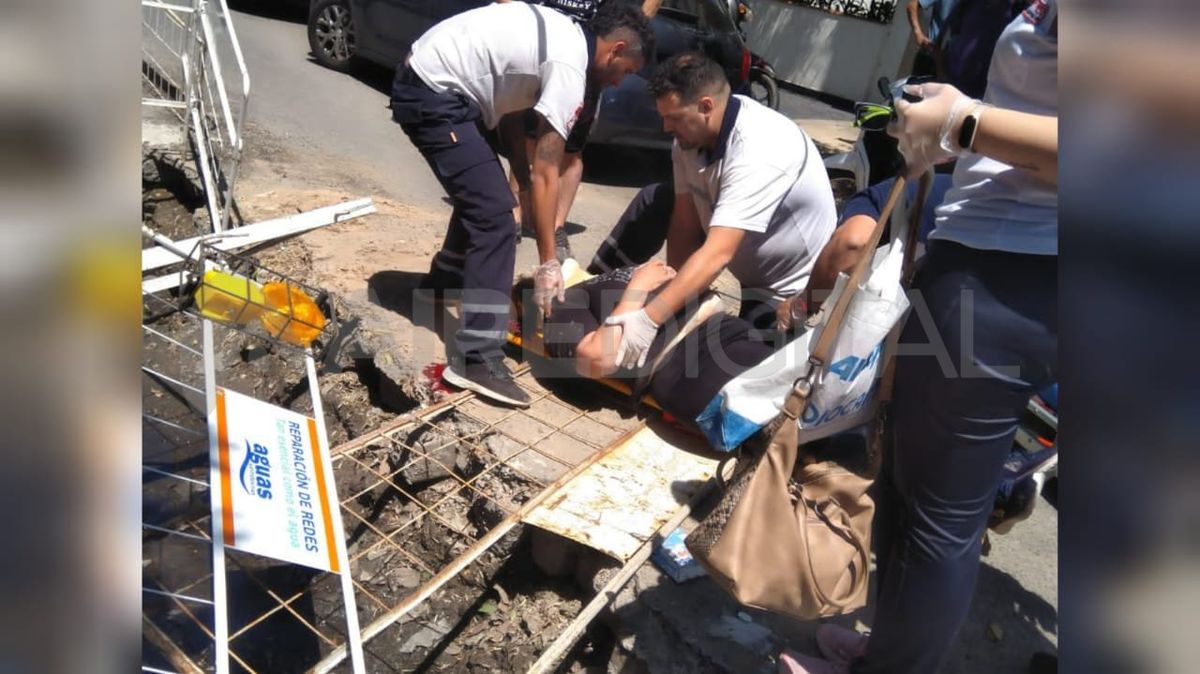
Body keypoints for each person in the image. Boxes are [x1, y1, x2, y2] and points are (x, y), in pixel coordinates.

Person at [780, 1, 1057, 672]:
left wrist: (962, 123)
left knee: (939, 520)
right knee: (912, 494)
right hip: (1011, 268)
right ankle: (894, 650)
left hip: (1006, 271)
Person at [389, 1, 653, 407]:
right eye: (627, 71)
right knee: (496, 218)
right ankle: (477, 357)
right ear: (615, 50)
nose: (619, 82)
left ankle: (442, 284)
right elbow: (550, 168)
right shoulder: (570, 69)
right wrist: (549, 262)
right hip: (434, 91)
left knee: (487, 194)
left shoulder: (564, 38)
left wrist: (517, 171)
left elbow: (511, 115)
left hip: (435, 78)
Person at [594, 52, 838, 368]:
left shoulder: (761, 149)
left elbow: (718, 253)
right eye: (663, 116)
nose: (666, 127)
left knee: (741, 375)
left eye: (674, 117)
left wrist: (649, 320)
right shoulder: (688, 138)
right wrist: (676, 306)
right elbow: (685, 219)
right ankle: (593, 292)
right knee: (655, 199)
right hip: (739, 247)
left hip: (784, 288)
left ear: (706, 106)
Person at [499, 0, 664, 262]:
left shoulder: (606, 51)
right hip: (548, 46)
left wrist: (632, 31)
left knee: (570, 148)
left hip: (591, 52)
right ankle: (514, 211)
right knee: (526, 135)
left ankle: (554, 226)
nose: (621, 81)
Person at [533, 260, 776, 425]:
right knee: (782, 414)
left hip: (724, 330)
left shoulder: (603, 278)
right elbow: (596, 359)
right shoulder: (560, 306)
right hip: (684, 364)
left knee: (799, 385)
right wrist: (638, 287)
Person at [775, 174, 954, 329]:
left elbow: (852, 242)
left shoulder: (897, 191)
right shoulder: (965, 197)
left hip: (896, 330)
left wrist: (802, 305)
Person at [906, 0, 1030, 98]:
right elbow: (912, 5)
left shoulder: (1014, 10)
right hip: (933, 63)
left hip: (965, 83)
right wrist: (919, 36)